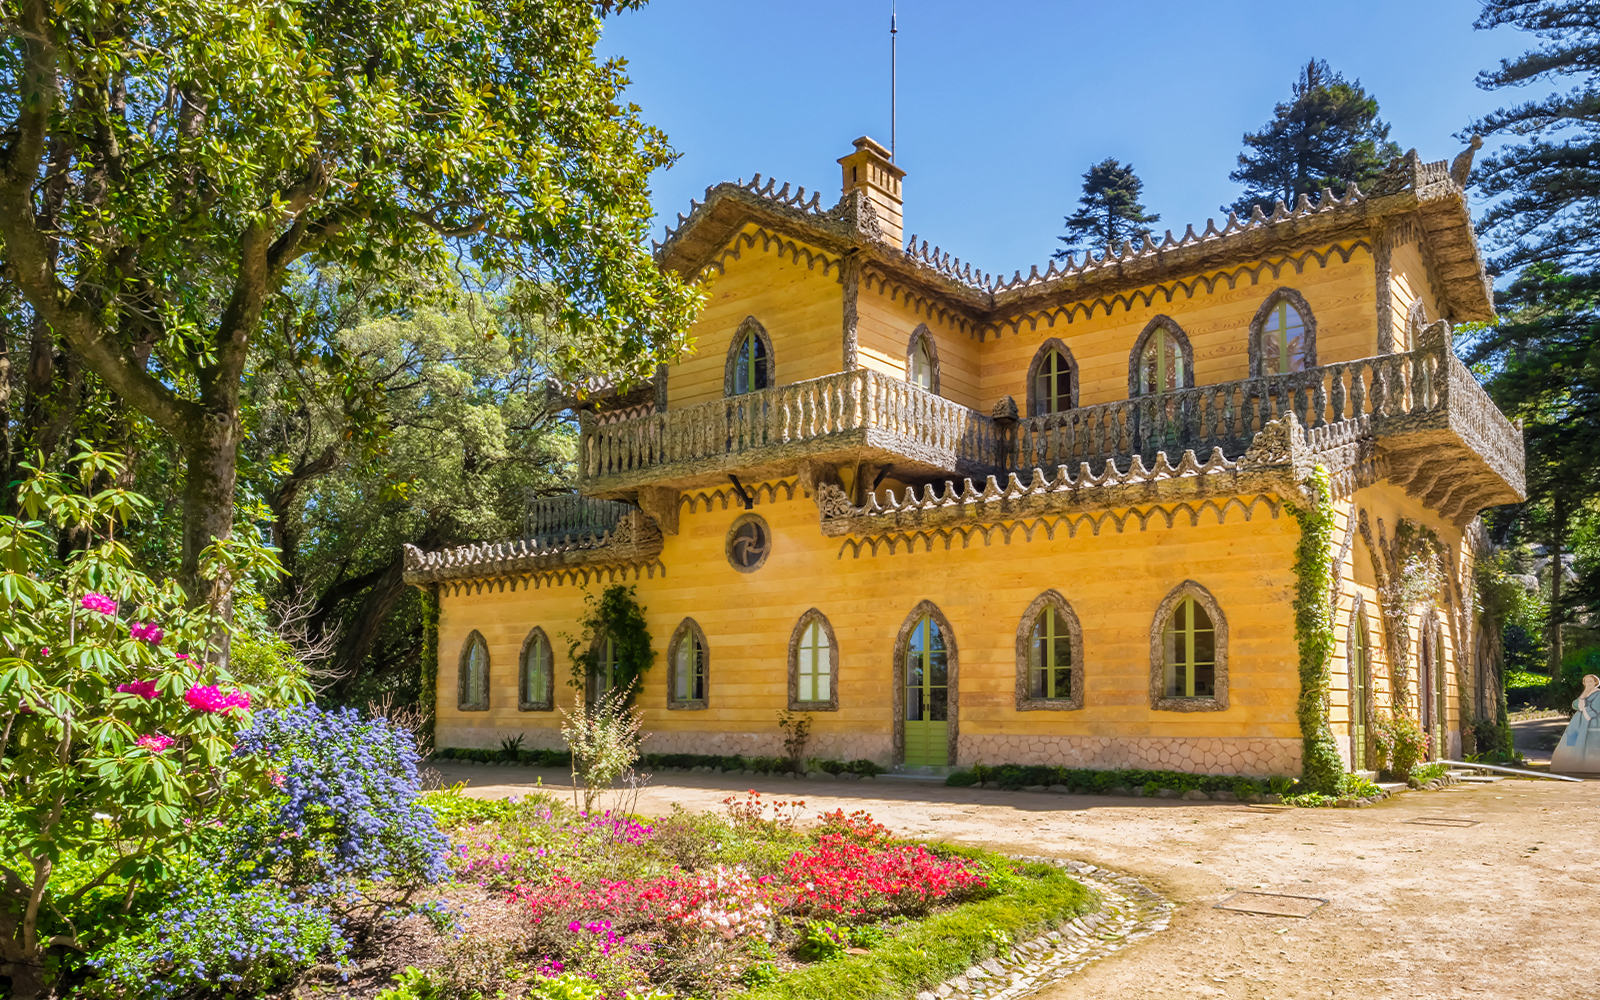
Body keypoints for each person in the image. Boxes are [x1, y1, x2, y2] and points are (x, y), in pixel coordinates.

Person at [1551, 674, 1600, 775]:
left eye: (1590, 681)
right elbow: (1575, 704)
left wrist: (1584, 709)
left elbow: (1596, 708)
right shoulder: (1585, 693)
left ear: (1595, 682)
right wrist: (1582, 699)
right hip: (1578, 721)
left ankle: (1588, 763)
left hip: (1591, 721)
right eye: (1586, 682)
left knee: (1590, 741)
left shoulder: (1598, 694)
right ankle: (1571, 760)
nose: (1588, 684)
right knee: (1572, 737)